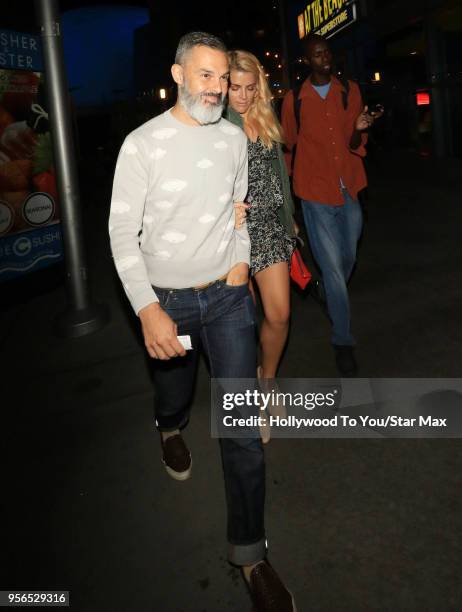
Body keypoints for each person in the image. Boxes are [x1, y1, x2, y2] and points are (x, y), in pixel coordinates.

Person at [109, 32, 296, 612]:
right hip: (168, 301)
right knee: (175, 388)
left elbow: (237, 210)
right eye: (206, 75)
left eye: (223, 77)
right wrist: (147, 308)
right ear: (180, 75)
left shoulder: (231, 141)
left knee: (241, 433)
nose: (217, 88)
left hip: (226, 300)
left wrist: (240, 261)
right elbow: (121, 234)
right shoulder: (143, 145)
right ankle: (168, 425)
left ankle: (251, 554)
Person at [282, 33, 379, 376]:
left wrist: (359, 128)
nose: (323, 57)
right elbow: (289, 143)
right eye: (316, 54)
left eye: (326, 52)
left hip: (349, 187)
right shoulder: (295, 99)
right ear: (307, 61)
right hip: (314, 192)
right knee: (335, 270)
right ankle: (343, 341)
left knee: (347, 258)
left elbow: (355, 141)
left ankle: (325, 288)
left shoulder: (349, 91)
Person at [226, 50, 297, 441]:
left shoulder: (264, 117)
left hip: (269, 226)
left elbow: (279, 175)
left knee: (280, 314)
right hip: (234, 232)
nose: (243, 96)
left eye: (251, 88)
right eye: (235, 87)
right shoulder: (218, 122)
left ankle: (267, 380)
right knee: (244, 321)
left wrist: (289, 218)